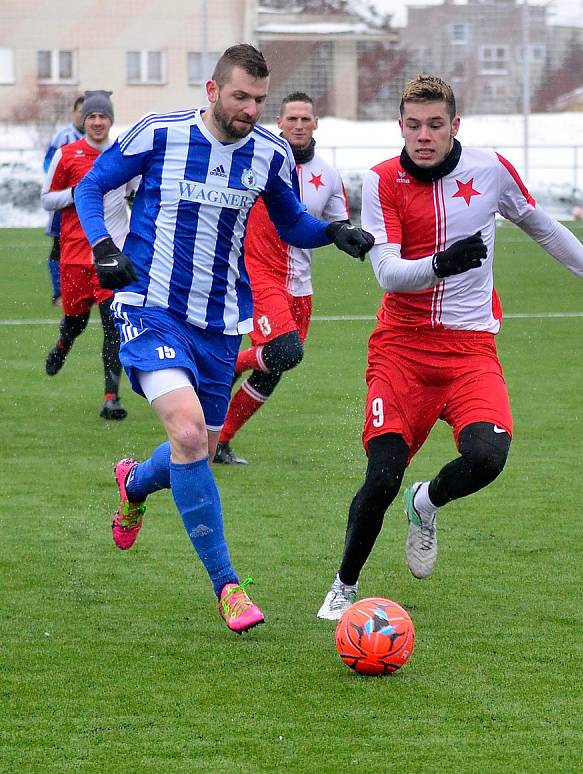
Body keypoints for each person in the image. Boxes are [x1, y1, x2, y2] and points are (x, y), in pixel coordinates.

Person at [317, 74, 583, 620]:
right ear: (400, 126)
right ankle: (343, 586)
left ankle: (426, 503)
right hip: (402, 347)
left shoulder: (490, 170)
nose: (424, 136)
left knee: (488, 458)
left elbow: (542, 227)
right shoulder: (381, 182)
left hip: (471, 349)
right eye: (414, 125)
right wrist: (443, 264)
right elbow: (389, 274)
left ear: (455, 126)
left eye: (435, 125)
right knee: (381, 475)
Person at [74, 44, 374, 634]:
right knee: (187, 432)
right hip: (149, 306)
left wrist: (334, 231)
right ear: (212, 92)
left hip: (217, 321)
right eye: (241, 97)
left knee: (199, 450)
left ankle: (134, 482)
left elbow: (289, 221)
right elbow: (91, 187)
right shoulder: (159, 134)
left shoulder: (268, 152)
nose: (251, 109)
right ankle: (228, 587)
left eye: (260, 100)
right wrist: (103, 249)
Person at [214, 91, 350, 465]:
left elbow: (337, 225)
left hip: (300, 284)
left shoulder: (328, 175)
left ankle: (220, 442)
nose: (299, 125)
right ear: (279, 122)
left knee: (276, 366)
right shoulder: (259, 160)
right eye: (292, 119)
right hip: (259, 276)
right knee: (284, 351)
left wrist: (353, 237)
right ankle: (228, 364)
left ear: (316, 123)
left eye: (306, 119)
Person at [42, 90, 135, 421]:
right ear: (84, 120)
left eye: (103, 116)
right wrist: (78, 193)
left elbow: (134, 192)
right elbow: (47, 198)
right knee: (76, 323)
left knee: (115, 325)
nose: (97, 122)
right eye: (92, 117)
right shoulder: (67, 155)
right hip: (75, 256)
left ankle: (112, 398)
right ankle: (62, 346)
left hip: (112, 254)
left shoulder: (124, 154)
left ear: (110, 119)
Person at [43, 95, 85, 305]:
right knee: (59, 247)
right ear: (74, 113)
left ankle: (92, 292)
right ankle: (59, 293)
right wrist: (62, 189)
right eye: (81, 111)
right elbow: (48, 164)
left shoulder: (101, 139)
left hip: (90, 204)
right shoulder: (64, 137)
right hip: (65, 204)